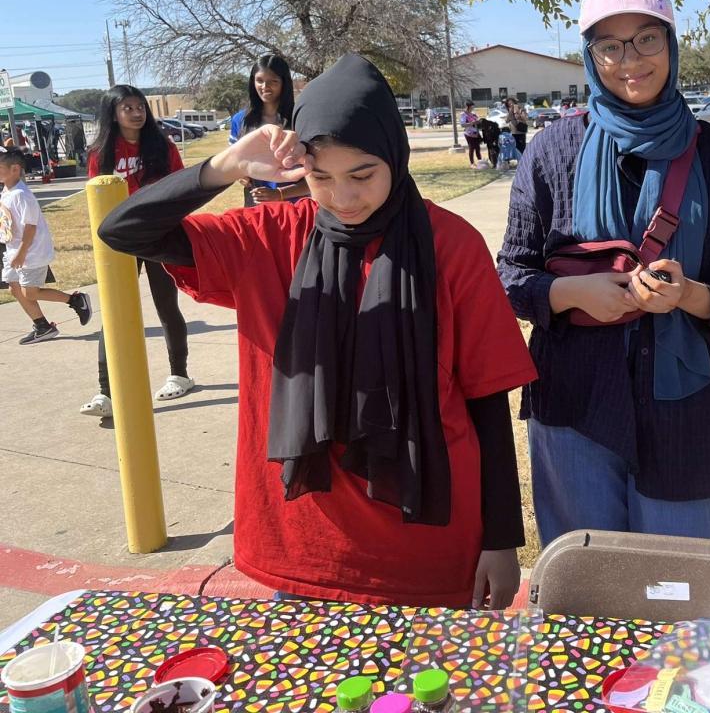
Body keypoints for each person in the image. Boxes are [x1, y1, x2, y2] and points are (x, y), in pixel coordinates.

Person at [98, 54, 537, 607]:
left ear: (395, 157)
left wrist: (501, 539)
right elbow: (124, 230)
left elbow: (486, 402)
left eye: (363, 174)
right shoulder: (271, 236)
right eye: (320, 177)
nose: (343, 198)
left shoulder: (450, 244)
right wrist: (224, 166)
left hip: (425, 544)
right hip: (300, 545)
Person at [498, 0, 710, 546]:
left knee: (682, 583)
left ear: (670, 43)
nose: (630, 60)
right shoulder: (552, 152)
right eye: (610, 46)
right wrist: (571, 292)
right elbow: (511, 278)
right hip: (574, 407)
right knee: (587, 585)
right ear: (589, 55)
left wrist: (691, 296)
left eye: (646, 39)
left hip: (686, 420)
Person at [83, 85, 196, 418]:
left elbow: (180, 188)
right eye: (128, 108)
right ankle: (106, 392)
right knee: (114, 312)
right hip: (121, 240)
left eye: (140, 107)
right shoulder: (101, 152)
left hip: (159, 236)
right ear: (113, 114)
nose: (136, 113)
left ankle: (180, 374)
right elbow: (97, 199)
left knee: (166, 306)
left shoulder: (162, 146)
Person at [0, 149, 92, 343]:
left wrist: (21, 253)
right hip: (13, 250)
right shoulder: (7, 191)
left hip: (30, 252)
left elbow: (30, 227)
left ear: (15, 169)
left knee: (30, 292)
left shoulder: (21, 195)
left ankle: (76, 300)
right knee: (15, 288)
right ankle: (42, 327)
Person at [229, 54, 307, 206]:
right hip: (255, 208)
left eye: (273, 81)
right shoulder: (240, 120)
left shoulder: (300, 118)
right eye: (259, 80)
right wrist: (241, 176)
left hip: (294, 209)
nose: (265, 86)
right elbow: (234, 163)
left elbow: (317, 175)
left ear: (284, 83)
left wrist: (279, 194)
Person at [460, 101, 483, 167]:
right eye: (471, 106)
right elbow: (462, 125)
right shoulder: (463, 114)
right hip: (469, 134)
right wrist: (471, 123)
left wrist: (478, 122)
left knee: (478, 148)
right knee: (471, 148)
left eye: (473, 106)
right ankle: (472, 163)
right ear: (468, 106)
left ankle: (480, 162)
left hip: (476, 133)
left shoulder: (473, 114)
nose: (473, 108)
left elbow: (477, 121)